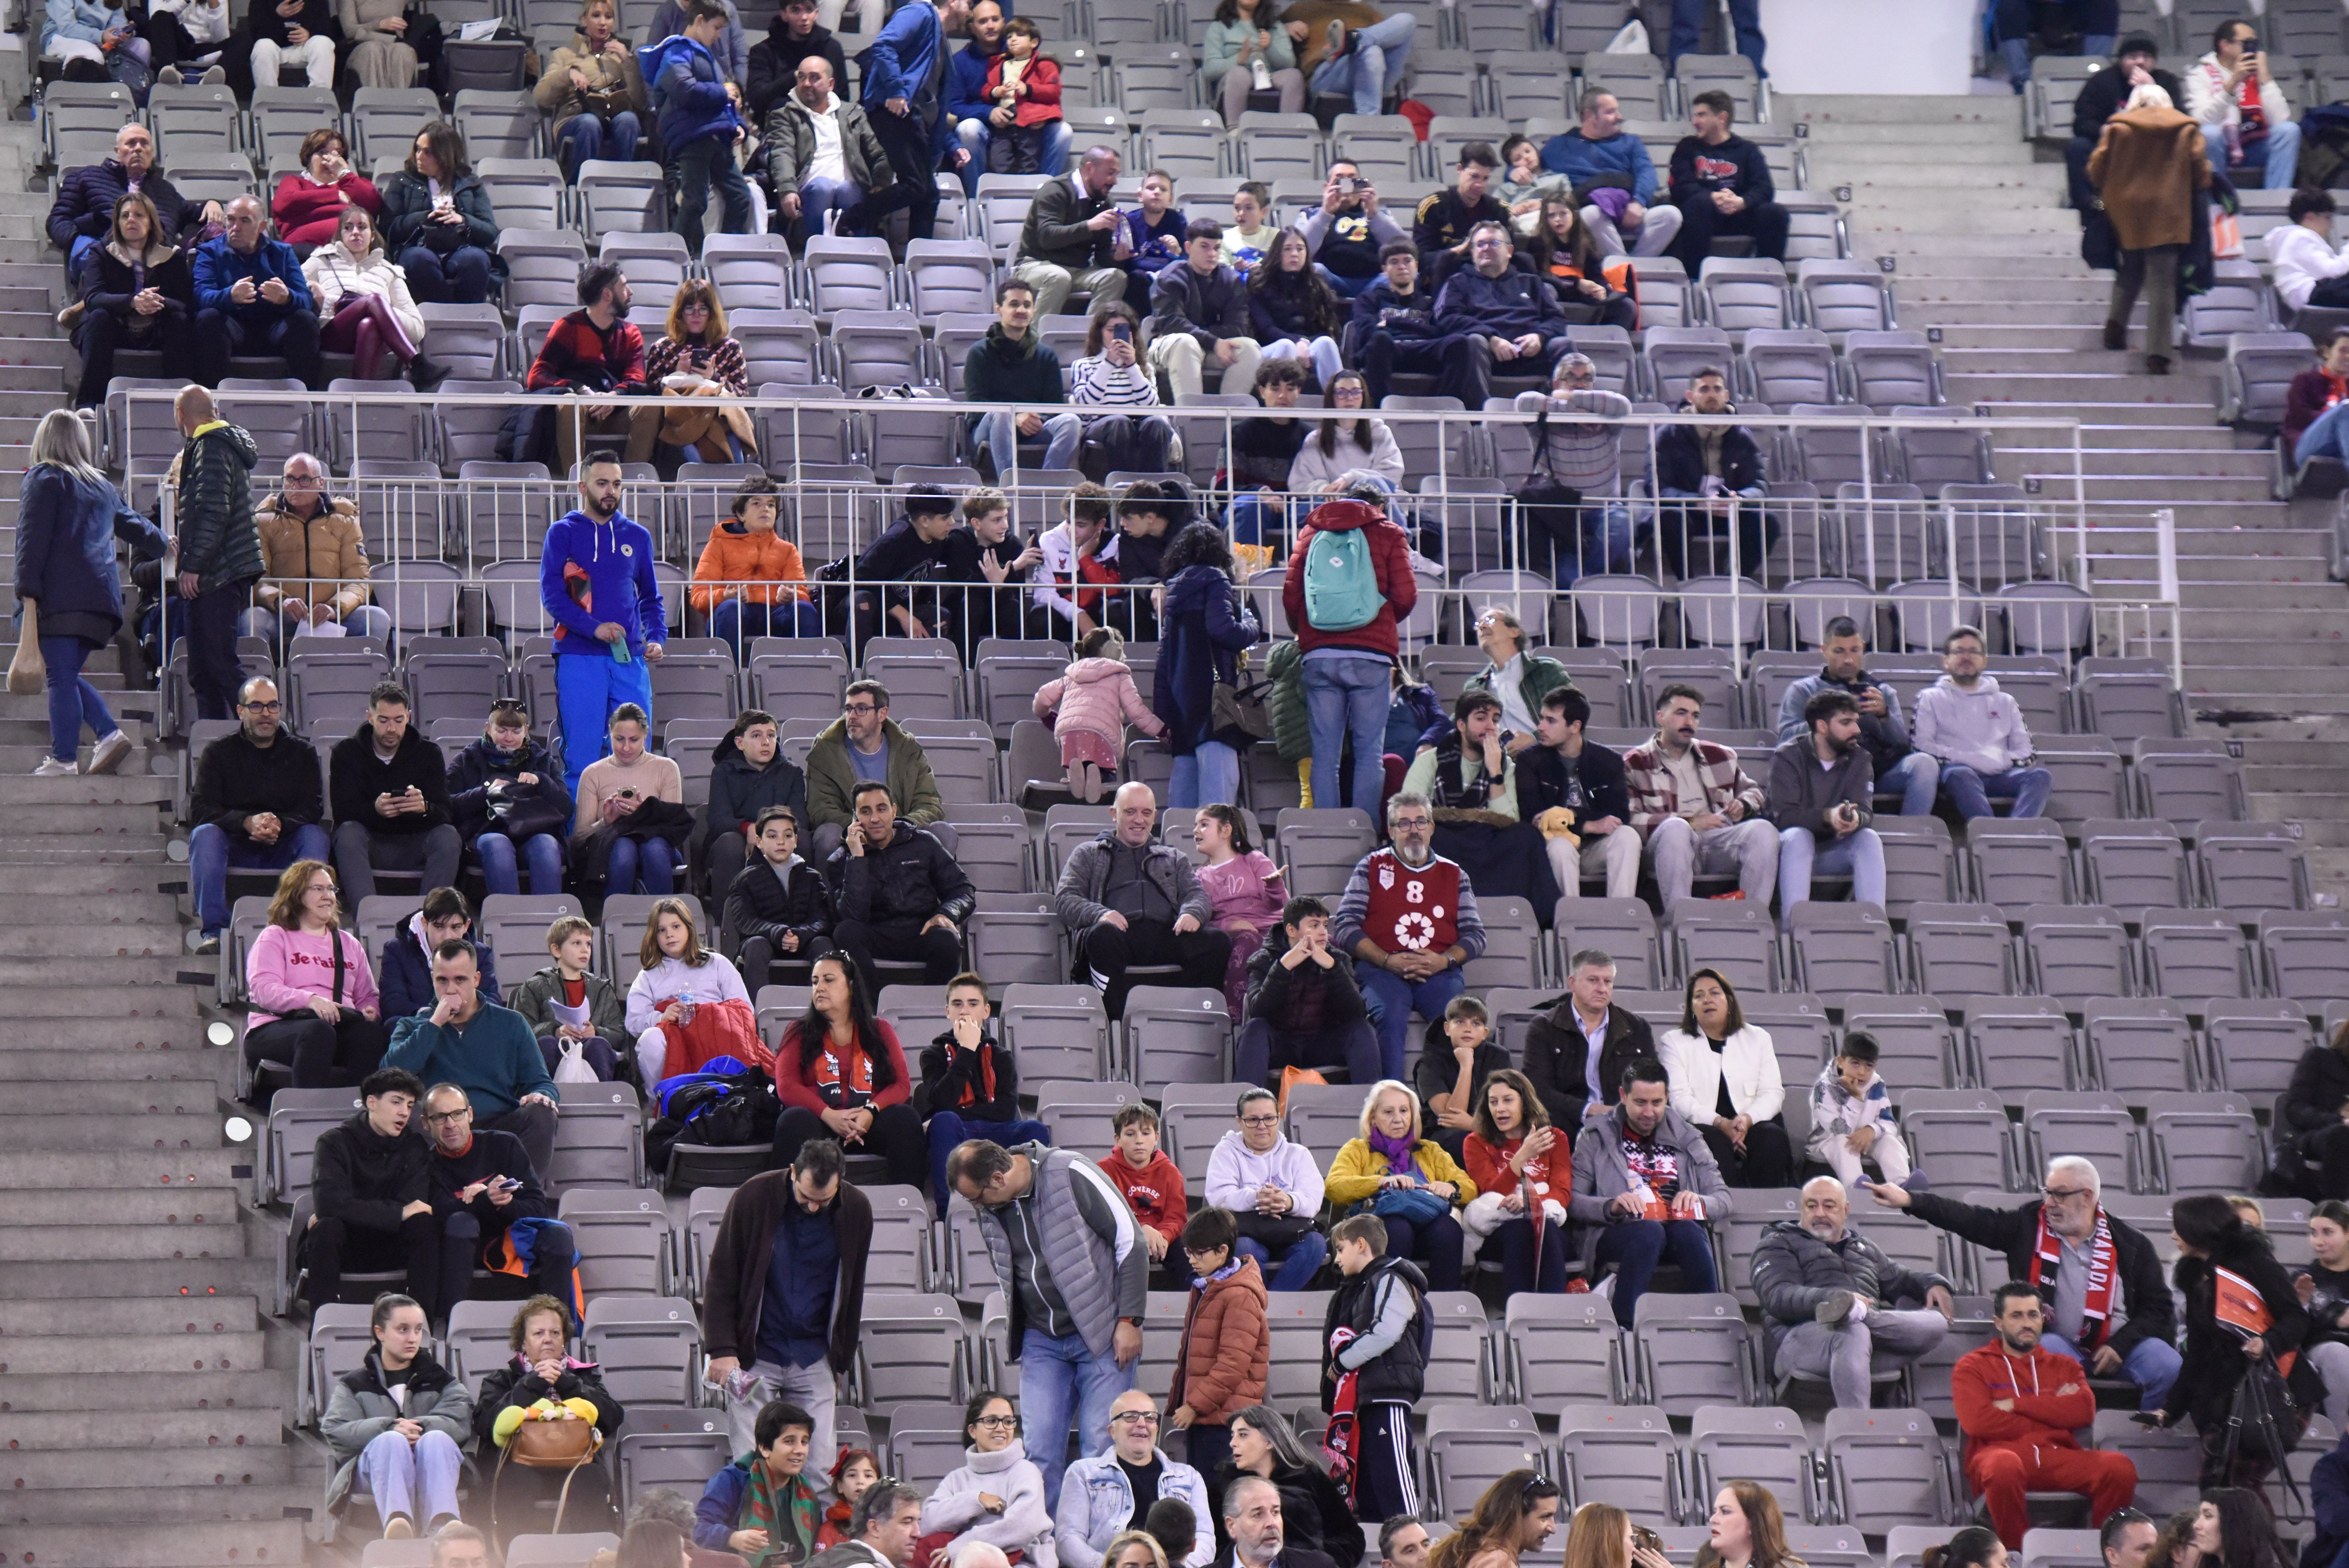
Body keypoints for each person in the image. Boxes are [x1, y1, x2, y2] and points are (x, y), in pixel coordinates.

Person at [1868, 1153, 2181, 1410]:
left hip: (2119, 1346)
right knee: (2043, 1350)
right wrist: (1911, 1200)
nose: (2050, 1202)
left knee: (2168, 1364)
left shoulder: (2130, 1243)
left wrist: (2120, 1345)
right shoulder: (2027, 1225)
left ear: (2087, 1197)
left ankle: (2146, 1442)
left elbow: (2159, 1308)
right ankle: (2064, 1445)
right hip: (2056, 1342)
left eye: (2059, 1194)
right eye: (2047, 1192)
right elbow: (1970, 1219)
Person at [949, 1139, 1149, 1515]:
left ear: (998, 1177)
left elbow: (1131, 1241)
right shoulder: (990, 1208)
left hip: (1102, 1333)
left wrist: (1130, 1320)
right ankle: (1044, 1550)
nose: (975, 1207)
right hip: (1042, 1338)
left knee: (1099, 1450)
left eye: (976, 1198)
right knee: (1039, 1452)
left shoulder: (1071, 1171)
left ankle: (1097, 1551)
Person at [702, 1137, 872, 1462]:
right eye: (806, 1196)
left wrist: (841, 1357)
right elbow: (722, 1275)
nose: (812, 1206)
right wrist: (722, 1349)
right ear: (793, 1172)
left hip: (813, 1353)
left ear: (841, 1182)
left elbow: (854, 1286)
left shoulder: (857, 1209)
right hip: (757, 1352)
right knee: (752, 1461)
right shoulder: (753, 1196)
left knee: (820, 1465)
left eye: (823, 1200)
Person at [13, 408, 161, 777]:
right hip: (101, 602)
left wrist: (26, 591)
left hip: (60, 598)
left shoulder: (44, 479)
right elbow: (138, 527)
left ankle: (64, 759)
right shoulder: (102, 485)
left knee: (60, 678)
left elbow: (31, 541)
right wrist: (166, 544)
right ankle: (108, 734)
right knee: (64, 674)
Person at [1955, 1281, 2143, 1548]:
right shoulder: (1972, 1365)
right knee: (2003, 1465)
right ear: (1998, 1322)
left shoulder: (2064, 1365)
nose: (2026, 1323)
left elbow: (2083, 1410)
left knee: (2119, 1468)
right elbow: (1977, 1421)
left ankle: (2100, 1554)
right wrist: (2052, 1408)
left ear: (2043, 1319)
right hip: (1998, 1454)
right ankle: (2016, 1555)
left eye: (2033, 1315)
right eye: (2016, 1315)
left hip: (2056, 1455)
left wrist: (2015, 1404)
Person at [2149, 1192, 2318, 1489]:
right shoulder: (2196, 1277)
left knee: (2239, 1484)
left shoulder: (2253, 1261)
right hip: (2231, 1391)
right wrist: (2170, 1408)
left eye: (2179, 1227)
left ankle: (2251, 1537)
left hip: (2280, 1388)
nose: (2173, 1235)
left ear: (2197, 1230)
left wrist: (2267, 1343)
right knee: (2216, 1485)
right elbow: (2197, 1352)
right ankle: (2236, 1536)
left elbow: (2296, 1317)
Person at [1751, 1174, 1954, 1407]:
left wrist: (1933, 1283)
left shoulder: (1863, 1247)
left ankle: (1854, 1314)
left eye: (1829, 1206)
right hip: (1798, 1340)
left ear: (1845, 1210)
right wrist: (1833, 1300)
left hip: (1864, 1342)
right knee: (1854, 1333)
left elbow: (1900, 1279)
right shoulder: (1777, 1243)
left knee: (1936, 1323)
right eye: (1811, 1206)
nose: (1820, 1213)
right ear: (1802, 1210)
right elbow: (1779, 1297)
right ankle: (1857, 1429)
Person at [1331, 793, 1484, 1082]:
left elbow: (1476, 935)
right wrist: (1387, 960)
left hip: (1439, 972)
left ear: (1431, 827)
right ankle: (1389, 1103)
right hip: (1381, 970)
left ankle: (1451, 1105)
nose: (1413, 829)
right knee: (1388, 1016)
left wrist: (1444, 960)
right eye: (1403, 823)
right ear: (1391, 831)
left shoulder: (1454, 874)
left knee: (1457, 1023)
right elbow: (1345, 926)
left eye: (1420, 822)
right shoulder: (1371, 867)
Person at [384, 941, 563, 1187]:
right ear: (432, 980)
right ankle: (431, 1197)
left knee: (542, 1111)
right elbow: (390, 1077)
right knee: (409, 1113)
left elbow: (542, 1082)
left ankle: (523, 1196)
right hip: (441, 1126)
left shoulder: (511, 1023)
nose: (451, 990)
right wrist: (434, 1025)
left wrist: (541, 1094)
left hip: (498, 1124)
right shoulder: (413, 1026)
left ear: (477, 979)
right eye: (442, 981)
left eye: (460, 980)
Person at [1569, 1057, 1728, 1327]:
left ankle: (1708, 1323)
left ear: (1667, 1096)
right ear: (1623, 1095)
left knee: (1690, 1230)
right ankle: (1623, 1324)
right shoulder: (1595, 1135)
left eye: (1657, 1103)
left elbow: (1723, 1199)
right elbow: (1571, 1200)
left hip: (1673, 1228)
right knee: (1648, 1231)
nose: (1649, 1112)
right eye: (1640, 1102)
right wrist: (1611, 1206)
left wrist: (1699, 1201)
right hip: (1620, 1232)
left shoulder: (1689, 1137)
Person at [541, 452, 667, 793]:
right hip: (579, 657)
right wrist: (593, 628)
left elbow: (651, 598)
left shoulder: (638, 537)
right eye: (602, 483)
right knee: (581, 760)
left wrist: (656, 637)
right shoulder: (562, 533)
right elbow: (552, 596)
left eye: (616, 483)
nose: (611, 491)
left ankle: (633, 837)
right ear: (583, 487)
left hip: (630, 660)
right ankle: (578, 841)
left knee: (636, 758)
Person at [1056, 782, 1233, 1021]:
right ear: (1114, 814)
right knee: (1101, 937)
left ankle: (1194, 1017)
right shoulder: (1089, 853)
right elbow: (1067, 898)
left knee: (1217, 942)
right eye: (1130, 812)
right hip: (1117, 938)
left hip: (1166, 935)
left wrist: (1192, 913)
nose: (1139, 820)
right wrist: (1100, 914)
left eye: (1146, 813)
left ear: (1154, 817)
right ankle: (1113, 1022)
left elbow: (1197, 895)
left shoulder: (1173, 857)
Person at [188, 678, 328, 950]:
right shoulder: (218, 752)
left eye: (272, 706)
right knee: (204, 835)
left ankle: (305, 927)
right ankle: (216, 932)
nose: (266, 713)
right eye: (257, 706)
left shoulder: (303, 753)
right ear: (241, 711)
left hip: (285, 842)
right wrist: (246, 823)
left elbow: (313, 808)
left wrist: (280, 824)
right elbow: (201, 809)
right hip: (234, 843)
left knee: (315, 836)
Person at [322, 1291, 471, 1539]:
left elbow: (460, 1424)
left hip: (435, 1468)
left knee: (437, 1439)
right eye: (403, 1329)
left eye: (418, 1330)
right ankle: (398, 1522)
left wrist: (418, 1428)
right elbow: (336, 1430)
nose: (413, 1338)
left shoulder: (442, 1381)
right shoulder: (354, 1384)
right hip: (373, 1473)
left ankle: (442, 1526)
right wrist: (389, 1428)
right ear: (380, 1333)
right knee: (390, 1441)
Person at [1401, 686, 1560, 919]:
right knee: (1429, 837)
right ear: (1461, 725)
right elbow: (1407, 811)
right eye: (1481, 718)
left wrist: (1495, 770)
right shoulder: (1431, 760)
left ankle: (1524, 918)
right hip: (1446, 835)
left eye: (1495, 720)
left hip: (1487, 838)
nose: (1490, 727)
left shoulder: (1505, 765)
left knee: (1526, 836)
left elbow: (1509, 819)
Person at [473, 1293, 622, 1538]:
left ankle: (589, 1558)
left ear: (564, 1340)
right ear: (523, 1342)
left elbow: (612, 1418)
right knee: (515, 1481)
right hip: (519, 1463)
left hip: (577, 1462)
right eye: (539, 1333)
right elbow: (486, 1425)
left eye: (555, 1333)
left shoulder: (584, 1377)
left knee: (593, 1478)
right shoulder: (501, 1380)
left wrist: (567, 1383)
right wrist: (532, 1385)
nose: (548, 1340)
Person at [768, 951, 923, 1183]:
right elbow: (787, 1086)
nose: (819, 988)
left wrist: (871, 1111)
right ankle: (787, 1209)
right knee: (793, 1121)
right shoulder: (799, 1031)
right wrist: (829, 1115)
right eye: (815, 981)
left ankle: (907, 1206)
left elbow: (901, 1084)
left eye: (828, 980)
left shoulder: (879, 1029)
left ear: (850, 986)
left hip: (867, 1121)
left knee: (906, 1119)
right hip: (820, 1121)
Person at [420, 1085, 572, 1317]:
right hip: (460, 1248)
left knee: (558, 1235)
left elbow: (538, 1208)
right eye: (440, 1117)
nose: (450, 1124)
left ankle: (558, 1329)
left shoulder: (504, 1144)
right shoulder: (426, 1164)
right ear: (425, 1123)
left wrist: (504, 1203)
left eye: (457, 1114)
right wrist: (485, 1199)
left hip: (512, 1241)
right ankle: (450, 1329)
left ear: (470, 1114)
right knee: (462, 1222)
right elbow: (438, 1214)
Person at [2088, 82, 2207, 376]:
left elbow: (2096, 172)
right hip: (2168, 211)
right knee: (2162, 282)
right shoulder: (2186, 129)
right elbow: (2200, 174)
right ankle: (2157, 352)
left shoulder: (2118, 128)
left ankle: (2115, 326)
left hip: (2125, 210)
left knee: (2129, 268)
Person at [1625, 684, 1776, 909]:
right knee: (1675, 828)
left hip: (1718, 841)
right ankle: (1679, 920)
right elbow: (1631, 821)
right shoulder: (1635, 762)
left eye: (1695, 716)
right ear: (1660, 717)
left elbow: (1753, 792)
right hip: (1666, 847)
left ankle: (1753, 918)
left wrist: (1743, 805)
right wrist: (1691, 822)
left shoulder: (1720, 755)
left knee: (1764, 830)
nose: (1689, 722)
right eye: (1681, 713)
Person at [1316, 1212, 1424, 1523]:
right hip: (1363, 1402)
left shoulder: (1391, 1278)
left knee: (1396, 1492)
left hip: (1385, 1397)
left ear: (1361, 1244)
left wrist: (1341, 1362)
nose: (1336, 1259)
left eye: (1340, 1248)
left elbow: (1386, 1332)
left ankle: (1416, 1556)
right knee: (1370, 1498)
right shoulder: (1360, 1286)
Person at [303, 1068, 438, 1314]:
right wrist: (398, 1213)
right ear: (372, 1103)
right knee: (326, 1227)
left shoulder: (415, 1146)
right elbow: (330, 1205)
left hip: (390, 1244)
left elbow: (414, 1204)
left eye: (409, 1105)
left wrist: (354, 1207)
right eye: (396, 1102)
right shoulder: (333, 1142)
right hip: (346, 1246)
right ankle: (324, 1326)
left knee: (423, 1224)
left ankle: (421, 1325)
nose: (404, 1112)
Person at [1774, 617, 1938, 818]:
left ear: (1863, 649)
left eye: (1855, 650)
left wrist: (1885, 716)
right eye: (1839, 651)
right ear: (1824, 650)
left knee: (1925, 764)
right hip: (1827, 772)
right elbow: (1786, 738)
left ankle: (1913, 834)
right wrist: (1829, 717)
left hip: (1879, 770)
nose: (1849, 660)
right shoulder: (1803, 690)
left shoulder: (1881, 691)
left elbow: (1903, 745)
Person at [167, 384, 263, 721]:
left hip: (220, 573)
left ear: (181, 415)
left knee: (220, 664)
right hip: (219, 572)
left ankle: (266, 732)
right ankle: (220, 745)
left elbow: (213, 512)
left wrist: (191, 565)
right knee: (203, 671)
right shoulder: (219, 446)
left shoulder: (210, 447)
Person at [244, 858, 386, 1086]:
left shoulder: (349, 944)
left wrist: (370, 1010)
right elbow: (264, 990)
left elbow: (368, 996)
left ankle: (360, 1110)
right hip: (276, 1027)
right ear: (297, 894)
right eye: (318, 889)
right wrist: (311, 1001)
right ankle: (307, 1113)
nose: (328, 896)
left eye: (331, 889)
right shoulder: (275, 936)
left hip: (335, 1027)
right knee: (318, 1032)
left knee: (369, 1034)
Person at [821, 780, 974, 989]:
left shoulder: (923, 843)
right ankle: (871, 1012)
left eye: (881, 809)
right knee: (845, 932)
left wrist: (946, 914)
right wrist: (857, 857)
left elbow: (963, 890)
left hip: (921, 930)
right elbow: (852, 916)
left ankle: (930, 1007)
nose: (875, 818)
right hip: (876, 933)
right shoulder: (841, 859)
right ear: (856, 820)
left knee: (947, 939)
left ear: (894, 812)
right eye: (866, 812)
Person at [1326, 1080, 1474, 1292]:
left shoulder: (1429, 1150)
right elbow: (1334, 1187)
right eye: (1388, 1112)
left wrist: (1451, 1188)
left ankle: (1446, 1305)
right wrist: (1380, 1182)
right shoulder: (1358, 1149)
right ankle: (1390, 1303)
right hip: (1376, 1234)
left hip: (1426, 1228)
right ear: (1373, 1119)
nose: (1398, 1119)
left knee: (1448, 1229)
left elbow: (1470, 1187)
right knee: (1397, 1227)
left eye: (1404, 1111)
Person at [846, 0, 973, 247]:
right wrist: (896, 90)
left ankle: (920, 257)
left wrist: (951, 144)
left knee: (928, 195)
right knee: (916, 187)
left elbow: (932, 105)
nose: (971, 11)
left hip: (913, 118)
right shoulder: (919, 13)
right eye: (969, 3)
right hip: (896, 112)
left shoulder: (941, 40)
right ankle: (851, 218)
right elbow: (883, 46)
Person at [920, 975, 1049, 1217]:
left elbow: (1005, 1110)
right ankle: (950, 1214)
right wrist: (967, 1049)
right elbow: (942, 1102)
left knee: (1035, 1130)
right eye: (957, 1004)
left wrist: (965, 1111)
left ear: (986, 1010)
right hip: (959, 1131)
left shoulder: (1001, 1056)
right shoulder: (933, 1054)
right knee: (944, 1122)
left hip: (996, 1131)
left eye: (973, 1003)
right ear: (948, 1011)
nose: (964, 1011)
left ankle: (1032, 1210)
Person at [1154, 523, 1261, 808]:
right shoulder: (1215, 579)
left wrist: (1163, 714)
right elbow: (1224, 631)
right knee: (1218, 800)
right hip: (1213, 702)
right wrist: (1251, 622)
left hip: (1181, 703)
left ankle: (1179, 849)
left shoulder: (1174, 589)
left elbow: (1164, 657)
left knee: (1184, 797)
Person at [1657, 968, 1792, 1188]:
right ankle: (1724, 1212)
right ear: (1692, 1007)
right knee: (1713, 1141)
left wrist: (1746, 1121)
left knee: (1771, 1138)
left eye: (1714, 993)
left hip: (1751, 1123)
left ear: (1730, 1001)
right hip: (1705, 1126)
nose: (1707, 1000)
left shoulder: (1758, 1038)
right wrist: (1721, 1123)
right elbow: (1679, 1099)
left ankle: (1767, 1211)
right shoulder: (1674, 1042)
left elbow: (1773, 1093)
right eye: (1699, 996)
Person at [327, 684, 460, 907]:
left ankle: (429, 919)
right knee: (348, 834)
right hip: (369, 843)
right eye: (384, 720)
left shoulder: (429, 754)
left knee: (448, 836)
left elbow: (446, 812)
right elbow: (342, 812)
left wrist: (425, 808)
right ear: (370, 717)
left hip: (416, 842)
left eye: (399, 721)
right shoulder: (346, 753)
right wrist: (374, 810)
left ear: (408, 717)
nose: (392, 729)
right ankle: (368, 916)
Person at [241, 455, 392, 651]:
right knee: (252, 619)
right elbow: (257, 579)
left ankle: (364, 678)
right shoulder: (263, 521)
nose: (295, 486)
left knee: (377, 619)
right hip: (283, 615)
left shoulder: (345, 522)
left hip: (333, 616)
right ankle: (265, 681)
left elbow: (359, 579)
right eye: (290, 479)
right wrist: (282, 601)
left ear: (320, 483)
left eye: (304, 479)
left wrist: (335, 607)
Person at [1054, 1388, 1214, 1568]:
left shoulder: (1189, 1478)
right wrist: (1110, 1566)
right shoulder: (1082, 1473)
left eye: (1150, 1417)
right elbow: (1068, 1540)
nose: (1142, 1423)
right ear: (1112, 1431)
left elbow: (1205, 1538)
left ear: (1156, 1428)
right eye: (1130, 1416)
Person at [1766, 689, 1885, 926]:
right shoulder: (1788, 756)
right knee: (1798, 836)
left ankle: (1875, 927)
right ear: (1822, 726)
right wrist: (1828, 817)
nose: (1857, 730)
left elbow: (1865, 812)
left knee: (1868, 838)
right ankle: (1794, 928)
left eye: (1856, 722)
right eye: (1846, 722)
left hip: (1834, 850)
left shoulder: (1860, 759)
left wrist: (1855, 820)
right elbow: (1783, 817)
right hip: (1790, 852)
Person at [1912, 625, 2054, 822]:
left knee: (2040, 777)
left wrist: (2001, 761)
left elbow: (2027, 752)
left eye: (1973, 652)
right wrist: (1969, 759)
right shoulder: (1930, 698)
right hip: (1957, 773)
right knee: (1961, 775)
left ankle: (2017, 833)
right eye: (1959, 651)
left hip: (1999, 775)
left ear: (1984, 661)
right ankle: (1990, 834)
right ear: (1946, 661)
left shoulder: (2006, 701)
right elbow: (1921, 746)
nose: (1966, 657)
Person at [644, 0, 754, 255]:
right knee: (694, 201)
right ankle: (675, 253)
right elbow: (685, 91)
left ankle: (723, 254)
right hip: (693, 139)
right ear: (700, 21)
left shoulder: (708, 56)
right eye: (716, 28)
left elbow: (725, 102)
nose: (718, 36)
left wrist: (738, 125)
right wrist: (722, 91)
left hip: (716, 137)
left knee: (741, 197)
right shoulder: (674, 52)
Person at [70, 191, 195, 408]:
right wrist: (132, 302)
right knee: (98, 318)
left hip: (157, 329)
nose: (131, 220)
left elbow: (185, 302)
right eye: (125, 216)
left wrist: (156, 302)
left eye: (139, 215)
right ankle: (89, 405)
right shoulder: (101, 254)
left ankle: (181, 403)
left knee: (180, 322)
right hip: (115, 328)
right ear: (117, 223)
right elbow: (94, 298)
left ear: (151, 222)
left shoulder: (171, 257)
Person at [302, 206, 443, 390]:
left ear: (373, 235)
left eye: (362, 227)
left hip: (373, 336)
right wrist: (311, 287)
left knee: (370, 323)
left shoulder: (390, 271)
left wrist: (382, 313)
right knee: (374, 300)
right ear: (340, 235)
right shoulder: (322, 260)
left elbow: (417, 329)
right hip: (333, 332)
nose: (355, 232)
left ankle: (359, 395)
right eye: (348, 227)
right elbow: (292, 287)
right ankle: (416, 364)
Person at [1205, 1086, 1332, 1290]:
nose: (1262, 1126)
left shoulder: (1298, 1154)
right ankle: (1258, 1301)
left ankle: (1271, 1303)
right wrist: (1257, 1198)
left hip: (1290, 1231)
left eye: (1269, 1118)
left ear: (1279, 1119)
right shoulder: (1226, 1151)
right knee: (1243, 1249)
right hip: (1246, 1232)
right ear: (1240, 1122)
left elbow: (1313, 1200)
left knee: (1317, 1244)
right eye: (1253, 1120)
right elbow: (1218, 1197)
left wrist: (1288, 1202)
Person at [1517, 689, 1639, 902]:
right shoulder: (1530, 760)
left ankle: (1621, 917)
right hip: (1552, 845)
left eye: (1551, 721)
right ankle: (1567, 922)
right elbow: (1533, 816)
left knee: (1628, 836)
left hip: (1594, 848)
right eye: (1542, 719)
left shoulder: (1609, 761)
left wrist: (1571, 818)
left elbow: (1619, 814)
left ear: (1575, 727)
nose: (1540, 727)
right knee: (1560, 848)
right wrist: (1586, 824)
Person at [1431, 223, 1571, 408]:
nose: (1486, 249)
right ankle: (1482, 417)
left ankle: (1566, 414)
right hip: (1485, 353)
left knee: (1564, 346)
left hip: (1531, 351)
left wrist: (1540, 336)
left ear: (1510, 251)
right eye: (1480, 245)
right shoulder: (1458, 283)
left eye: (1494, 243)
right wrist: (1491, 338)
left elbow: (1558, 318)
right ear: (1472, 253)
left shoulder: (1531, 282)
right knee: (1472, 342)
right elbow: (1446, 317)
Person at [194, 193, 326, 388]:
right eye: (231, 220)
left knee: (305, 319)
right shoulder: (210, 252)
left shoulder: (283, 253)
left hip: (275, 328)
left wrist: (287, 298)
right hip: (232, 327)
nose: (235, 227)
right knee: (208, 317)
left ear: (262, 227)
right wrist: (230, 296)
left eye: (245, 221)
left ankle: (307, 400)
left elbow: (306, 299)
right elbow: (200, 297)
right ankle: (211, 400)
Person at [1652, 366, 1771, 579]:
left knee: (1767, 522)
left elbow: (1760, 485)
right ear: (1690, 397)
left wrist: (1740, 499)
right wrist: (1698, 501)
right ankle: (1688, 585)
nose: (1712, 395)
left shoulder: (1742, 436)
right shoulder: (1669, 435)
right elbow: (1659, 488)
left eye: (1717, 389)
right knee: (1670, 519)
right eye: (1704, 390)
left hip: (1729, 511)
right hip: (1689, 510)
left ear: (1726, 396)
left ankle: (1731, 581)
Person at [49, 124, 206, 284]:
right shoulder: (85, 177)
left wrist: (211, 205)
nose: (138, 149)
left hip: (154, 261)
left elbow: (195, 215)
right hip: (102, 253)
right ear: (118, 151)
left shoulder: (166, 190)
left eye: (144, 144)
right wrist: (80, 242)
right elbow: (58, 220)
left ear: (152, 153)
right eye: (131, 143)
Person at [445, 700, 571, 900]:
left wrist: (542, 782)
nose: (509, 738)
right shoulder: (466, 759)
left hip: (534, 833)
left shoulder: (543, 760)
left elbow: (566, 809)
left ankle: (549, 921)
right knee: (497, 844)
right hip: (484, 834)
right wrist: (485, 790)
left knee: (546, 845)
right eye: (502, 730)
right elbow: (448, 805)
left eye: (516, 731)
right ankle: (509, 920)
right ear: (489, 728)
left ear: (526, 730)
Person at [1460, 1067, 1568, 1297]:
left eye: (1508, 1100)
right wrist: (1520, 1158)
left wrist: (1531, 1205)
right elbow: (1492, 1193)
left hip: (1547, 1225)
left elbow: (1562, 1193)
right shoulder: (1476, 1142)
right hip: (1498, 1231)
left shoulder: (1555, 1139)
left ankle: (1554, 1312)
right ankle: (1519, 1315)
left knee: (1544, 1228)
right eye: (1493, 1102)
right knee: (1519, 1230)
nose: (1500, 1109)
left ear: (1525, 1102)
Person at [1520, 947, 1656, 1130]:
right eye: (1593, 980)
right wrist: (1590, 1109)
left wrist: (1628, 1112)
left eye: (1608, 982)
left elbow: (1653, 1082)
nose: (1602, 989)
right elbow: (1538, 1089)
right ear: (1572, 983)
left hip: (1625, 1123)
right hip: (1566, 1122)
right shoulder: (1544, 1028)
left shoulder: (1637, 1028)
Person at [804, 681, 946, 854]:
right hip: (852, 835)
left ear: (882, 714)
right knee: (827, 836)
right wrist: (866, 826)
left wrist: (896, 827)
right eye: (849, 709)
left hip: (901, 836)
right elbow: (821, 809)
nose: (853, 716)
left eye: (862, 709)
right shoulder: (826, 751)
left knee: (943, 832)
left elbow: (930, 804)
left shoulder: (908, 750)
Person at [1540, 89, 1683, 260]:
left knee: (1671, 215)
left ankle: (1632, 265)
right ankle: (1624, 268)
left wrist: (1638, 202)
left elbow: (1647, 173)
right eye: (1610, 112)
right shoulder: (1559, 146)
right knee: (1590, 215)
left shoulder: (1631, 143)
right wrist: (1514, 172)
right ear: (1589, 116)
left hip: (1629, 211)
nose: (1619, 117)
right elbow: (1529, 167)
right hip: (1593, 214)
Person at [627, 896, 755, 1086]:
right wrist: (661, 1017)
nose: (670, 934)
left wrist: (710, 1016)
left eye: (676, 927)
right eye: (662, 930)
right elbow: (634, 1022)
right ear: (655, 936)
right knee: (650, 1040)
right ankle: (663, 1103)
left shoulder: (717, 963)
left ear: (689, 928)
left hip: (716, 1034)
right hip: (674, 1035)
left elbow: (744, 1010)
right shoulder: (648, 977)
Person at [764, 54, 890, 246]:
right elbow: (783, 153)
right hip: (810, 191)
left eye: (815, 78)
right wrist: (787, 189)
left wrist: (881, 183)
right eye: (802, 78)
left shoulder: (853, 113)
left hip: (851, 188)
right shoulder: (784, 116)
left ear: (831, 84)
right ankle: (817, 253)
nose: (807, 83)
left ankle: (860, 254)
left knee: (849, 189)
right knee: (823, 187)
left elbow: (878, 154)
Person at [1207, 1407, 1357, 1568]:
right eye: (1233, 1435)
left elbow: (1350, 1535)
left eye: (1243, 1435)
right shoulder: (1225, 1484)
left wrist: (1318, 1558)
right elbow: (1215, 1541)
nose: (1233, 1443)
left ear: (1270, 1441)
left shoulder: (1308, 1476)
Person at [923, 1391, 1058, 1568]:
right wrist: (976, 1500)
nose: (1001, 1428)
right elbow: (928, 1521)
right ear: (973, 1431)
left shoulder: (1026, 1471)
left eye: (1008, 1421)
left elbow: (1021, 1527)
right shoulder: (956, 1479)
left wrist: (962, 1546)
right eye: (992, 1421)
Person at [968, 278, 1084, 479]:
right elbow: (977, 405)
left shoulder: (1046, 355)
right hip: (988, 428)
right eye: (1014, 304)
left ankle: (1048, 484)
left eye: (1027, 305)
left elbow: (1054, 406)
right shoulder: (979, 352)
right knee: (1002, 413)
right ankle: (1010, 485)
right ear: (999, 309)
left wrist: (1036, 419)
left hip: (1033, 427)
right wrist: (1016, 416)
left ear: (1033, 311)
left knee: (1071, 421)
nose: (1021, 310)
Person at [632, 278, 752, 470]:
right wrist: (676, 374)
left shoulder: (730, 348)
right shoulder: (663, 348)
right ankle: (700, 478)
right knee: (688, 445)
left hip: (718, 418)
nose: (696, 315)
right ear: (680, 313)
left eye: (703, 308)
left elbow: (742, 395)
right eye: (690, 308)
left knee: (730, 442)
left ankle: (736, 484)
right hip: (680, 420)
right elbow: (652, 396)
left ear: (712, 313)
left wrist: (714, 378)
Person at [1036, 626, 1163, 804]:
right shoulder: (1120, 676)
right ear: (1115, 651)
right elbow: (1137, 712)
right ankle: (1101, 782)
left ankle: (1078, 777)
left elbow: (1042, 698)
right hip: (1101, 734)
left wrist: (1046, 716)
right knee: (1103, 772)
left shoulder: (1072, 675)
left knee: (1080, 757)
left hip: (1069, 732)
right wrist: (1162, 731)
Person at [695, 479, 823, 652]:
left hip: (775, 613)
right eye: (757, 503)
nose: (766, 509)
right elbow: (698, 597)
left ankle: (807, 673)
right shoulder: (718, 545)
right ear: (741, 514)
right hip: (734, 613)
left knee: (805, 610)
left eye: (771, 505)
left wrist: (792, 596)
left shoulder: (788, 550)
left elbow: (803, 594)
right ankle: (728, 674)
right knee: (731, 608)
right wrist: (725, 596)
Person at [574, 704, 687, 898]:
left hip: (657, 845)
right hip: (611, 845)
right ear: (610, 734)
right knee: (623, 848)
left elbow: (673, 831)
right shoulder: (593, 774)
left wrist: (646, 813)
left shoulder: (666, 768)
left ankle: (664, 919)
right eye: (619, 739)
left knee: (654, 849)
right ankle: (616, 920)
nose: (626, 748)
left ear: (646, 736)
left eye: (634, 740)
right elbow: (579, 839)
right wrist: (605, 822)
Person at [696, 1397, 827, 1563]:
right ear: (765, 1448)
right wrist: (732, 1538)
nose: (800, 1450)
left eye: (805, 1442)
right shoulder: (733, 1480)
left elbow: (815, 1551)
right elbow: (697, 1529)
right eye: (790, 1441)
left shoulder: (807, 1494)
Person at [1666, 91, 1787, 270]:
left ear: (1721, 118)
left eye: (1702, 115)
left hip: (1737, 213)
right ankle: (1694, 277)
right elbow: (1681, 185)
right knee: (1699, 204)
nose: (1695, 122)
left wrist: (1742, 202)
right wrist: (1713, 197)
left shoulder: (1747, 150)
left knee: (1775, 213)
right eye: (1695, 116)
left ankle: (1768, 275)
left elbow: (1764, 188)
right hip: (1702, 215)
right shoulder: (1688, 147)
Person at [378, 128, 495, 307]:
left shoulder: (470, 183)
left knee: (477, 260)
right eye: (418, 149)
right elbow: (388, 228)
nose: (419, 156)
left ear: (446, 155)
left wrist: (463, 220)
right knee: (420, 260)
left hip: (461, 247)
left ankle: (467, 318)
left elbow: (490, 231)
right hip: (416, 246)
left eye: (428, 152)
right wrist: (424, 217)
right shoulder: (402, 181)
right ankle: (457, 316)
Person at [725, 805, 836, 993]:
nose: (781, 842)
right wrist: (778, 933)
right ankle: (757, 1013)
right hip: (766, 942)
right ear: (759, 842)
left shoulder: (812, 877)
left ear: (796, 841)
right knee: (756, 945)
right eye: (772, 836)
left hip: (803, 940)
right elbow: (746, 922)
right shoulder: (745, 880)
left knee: (823, 944)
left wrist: (800, 935)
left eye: (787, 836)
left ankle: (823, 1010)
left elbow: (822, 919)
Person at [1149, 221, 1263, 402]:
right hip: (1168, 344)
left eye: (1217, 248)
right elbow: (1171, 323)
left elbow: (1238, 327)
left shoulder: (1230, 279)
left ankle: (1228, 420)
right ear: (1188, 247)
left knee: (1250, 349)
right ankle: (1191, 422)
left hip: (1210, 347)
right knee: (1186, 342)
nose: (1212, 254)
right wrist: (1214, 340)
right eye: (1205, 247)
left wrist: (1212, 342)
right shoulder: (1172, 276)